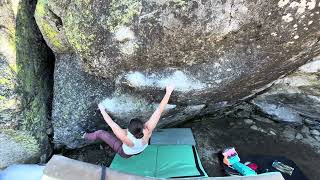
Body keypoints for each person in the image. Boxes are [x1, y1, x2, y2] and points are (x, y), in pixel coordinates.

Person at [83, 84, 175, 158]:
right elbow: (159, 111)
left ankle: (84, 136)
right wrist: (168, 92)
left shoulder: (124, 136)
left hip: (125, 153)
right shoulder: (148, 130)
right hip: (140, 150)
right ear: (143, 126)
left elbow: (111, 123)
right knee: (134, 151)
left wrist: (102, 109)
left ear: (128, 130)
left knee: (100, 133)